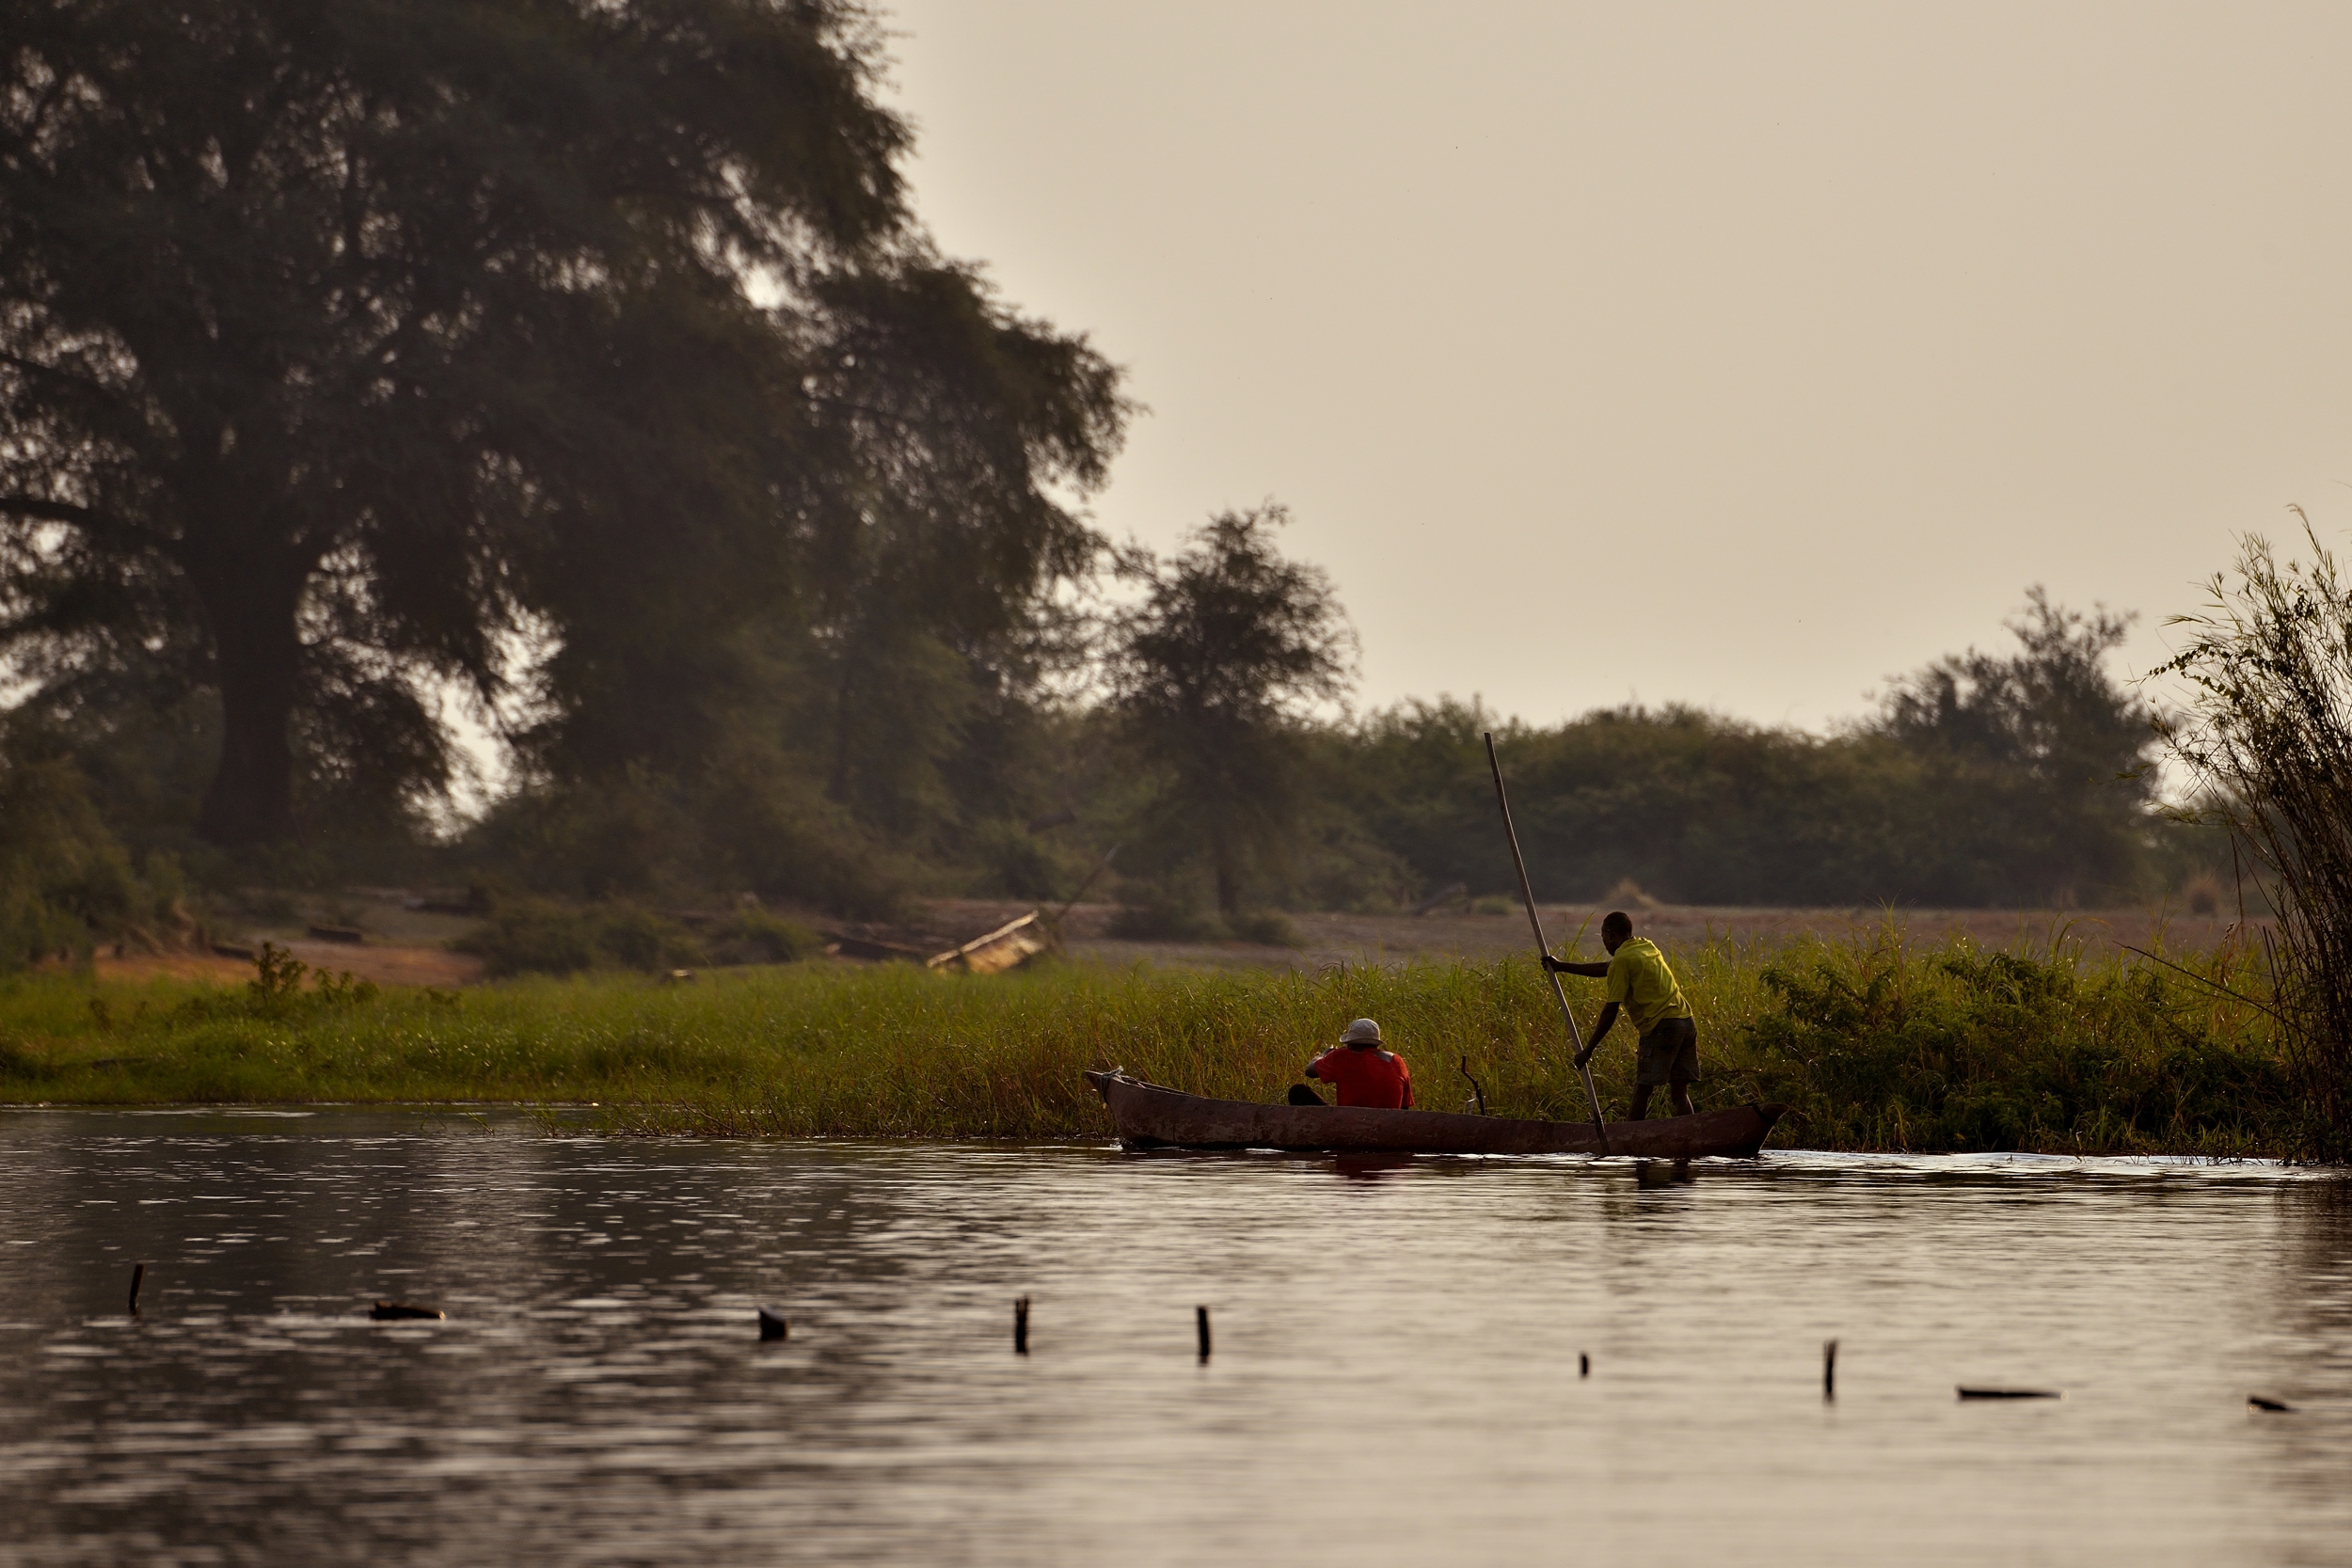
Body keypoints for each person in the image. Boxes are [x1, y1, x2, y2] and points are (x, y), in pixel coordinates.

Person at [1543, 911, 1698, 1119]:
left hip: (1661, 1027)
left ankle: (1629, 1137)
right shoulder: (1646, 946)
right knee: (1679, 1093)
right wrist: (1561, 967)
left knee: (1643, 1089)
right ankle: (1691, 1133)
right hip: (1686, 1021)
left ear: (1610, 934)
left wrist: (1588, 1050)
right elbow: (1607, 968)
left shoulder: (1622, 960)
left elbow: (1610, 1011)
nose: (1605, 944)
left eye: (1604, 938)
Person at [1299, 1017, 1414, 1108]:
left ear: (1350, 1044)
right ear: (1376, 1043)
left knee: (1298, 1091)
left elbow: (1310, 1071)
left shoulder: (1342, 1056)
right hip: (1389, 1125)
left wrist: (1324, 1053)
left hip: (1349, 1123)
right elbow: (1404, 1107)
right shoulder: (1397, 1061)